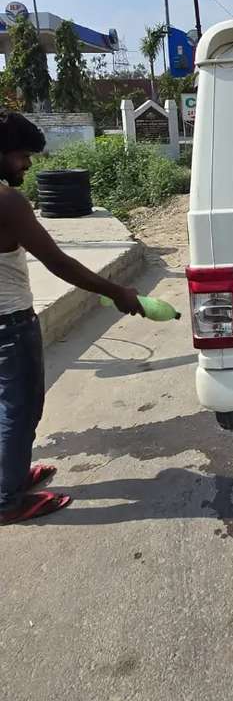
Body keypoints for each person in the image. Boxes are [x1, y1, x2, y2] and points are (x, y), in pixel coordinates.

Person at [0, 110, 143, 524]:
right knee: (20, 408)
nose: (28, 164)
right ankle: (7, 499)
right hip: (9, 322)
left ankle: (10, 474)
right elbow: (56, 262)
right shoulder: (8, 202)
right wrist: (116, 292)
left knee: (6, 406)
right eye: (22, 154)